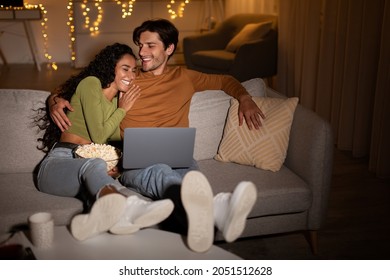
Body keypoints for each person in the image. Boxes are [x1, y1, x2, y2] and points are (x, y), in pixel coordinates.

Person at [48, 19, 262, 253]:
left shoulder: (186, 77)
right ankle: (217, 208)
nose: (142, 52)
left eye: (150, 45)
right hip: (136, 161)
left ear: (169, 49)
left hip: (177, 154)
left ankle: (203, 222)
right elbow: (77, 85)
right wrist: (54, 101)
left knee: (191, 177)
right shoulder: (128, 76)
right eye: (140, 45)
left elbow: (225, 80)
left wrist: (245, 98)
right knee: (162, 173)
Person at [35, 43, 174, 242]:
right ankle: (131, 206)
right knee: (95, 164)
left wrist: (116, 166)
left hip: (91, 172)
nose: (132, 76)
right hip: (59, 163)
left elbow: (110, 145)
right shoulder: (91, 84)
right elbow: (99, 136)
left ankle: (96, 220)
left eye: (134, 71)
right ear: (110, 69)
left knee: (105, 166)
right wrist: (123, 110)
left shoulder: (116, 103)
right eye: (125, 69)